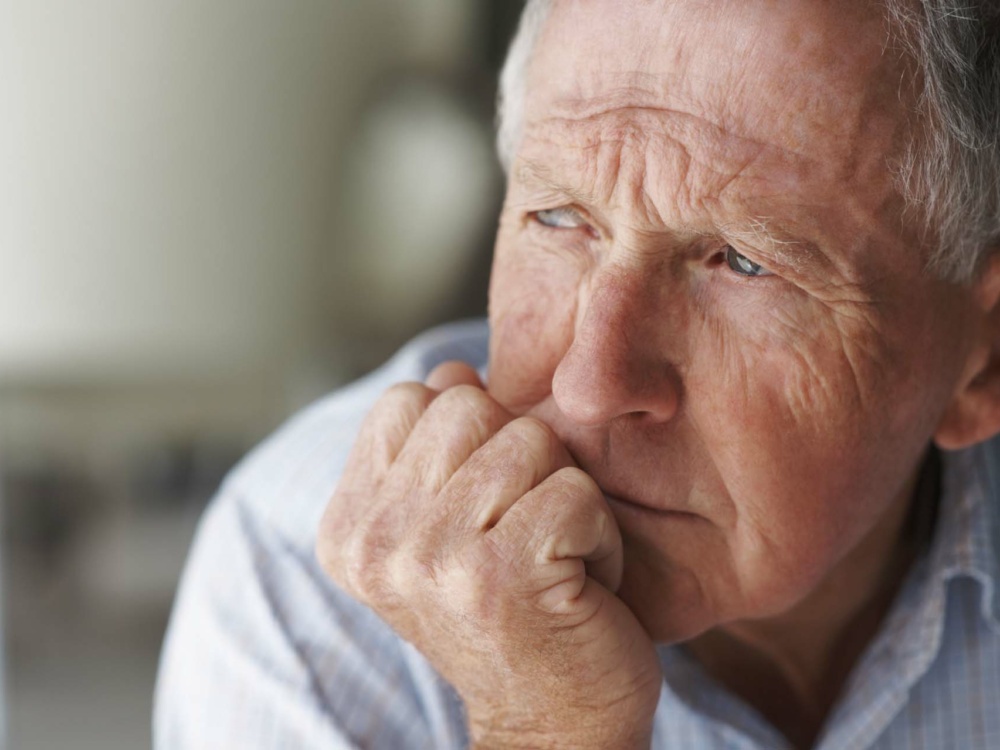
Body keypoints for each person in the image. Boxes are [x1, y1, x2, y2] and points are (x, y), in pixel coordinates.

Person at [154, 1, 1000, 748]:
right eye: (558, 219)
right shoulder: (306, 583)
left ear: (980, 361)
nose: (589, 384)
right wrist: (546, 729)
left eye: (743, 264)